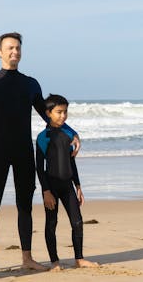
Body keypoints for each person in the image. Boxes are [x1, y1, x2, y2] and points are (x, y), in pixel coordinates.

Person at [0, 32, 80, 273]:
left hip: (23, 152)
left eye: (18, 48)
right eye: (10, 48)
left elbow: (49, 116)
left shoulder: (30, 84)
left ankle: (27, 258)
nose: (15, 52)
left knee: (25, 206)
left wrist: (72, 133)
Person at [36, 94, 99, 270]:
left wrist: (78, 186)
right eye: (59, 112)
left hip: (67, 186)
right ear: (48, 113)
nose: (63, 116)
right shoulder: (43, 137)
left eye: (65, 112)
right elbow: (39, 167)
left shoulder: (68, 134)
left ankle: (79, 259)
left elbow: (71, 161)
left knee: (77, 221)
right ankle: (54, 261)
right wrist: (46, 191)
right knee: (51, 223)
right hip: (51, 187)